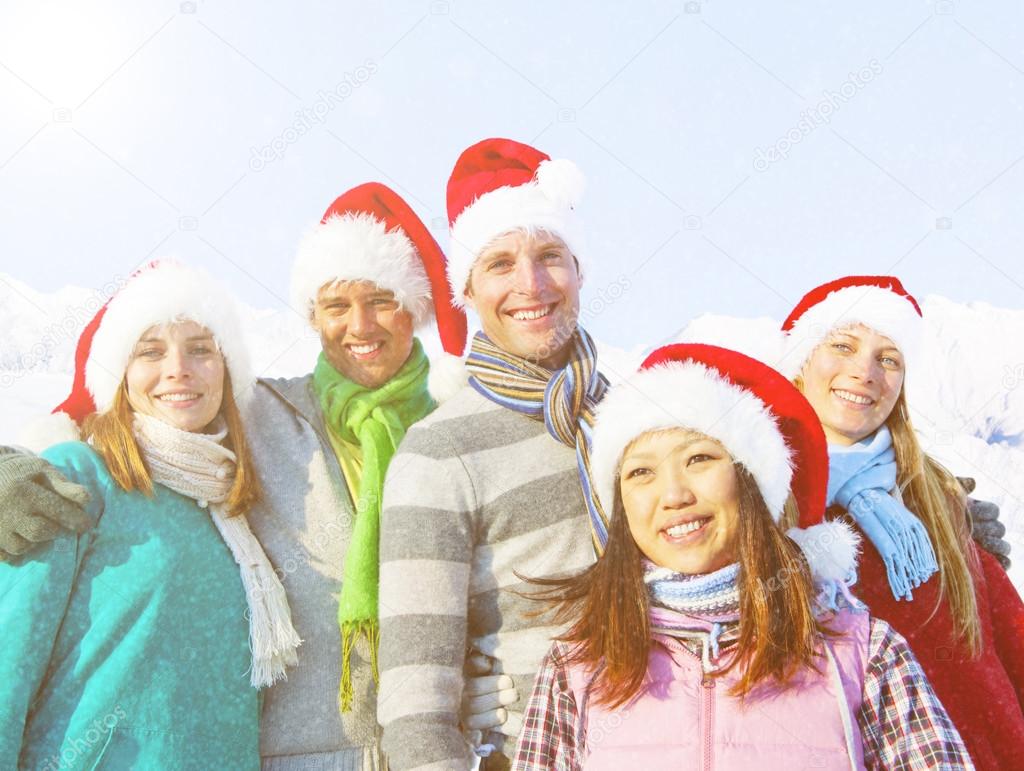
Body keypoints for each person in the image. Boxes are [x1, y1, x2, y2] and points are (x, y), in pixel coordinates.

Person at [0, 182, 472, 770]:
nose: (361, 325)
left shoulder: (452, 433)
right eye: (336, 306)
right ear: (313, 317)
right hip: (290, 754)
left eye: (382, 300)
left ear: (417, 307)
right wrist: (8, 468)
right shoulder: (261, 414)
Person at [512, 343, 973, 770]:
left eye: (699, 460)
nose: (672, 494)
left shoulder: (860, 651)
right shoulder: (577, 665)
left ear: (753, 484)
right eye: (640, 472)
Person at [0, 260, 293, 770]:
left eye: (201, 350)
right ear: (121, 376)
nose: (178, 368)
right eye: (150, 352)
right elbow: (9, 660)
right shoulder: (78, 477)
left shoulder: (233, 506)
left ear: (227, 371)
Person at [377, 138, 602, 770]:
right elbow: (415, 699)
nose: (530, 284)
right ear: (468, 292)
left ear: (580, 271)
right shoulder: (438, 452)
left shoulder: (638, 420)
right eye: (499, 264)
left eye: (550, 256)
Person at [778, 275, 1024, 770]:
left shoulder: (933, 498)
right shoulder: (755, 496)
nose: (864, 372)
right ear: (800, 363)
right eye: (842, 346)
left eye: (888, 359)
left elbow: (1009, 644)